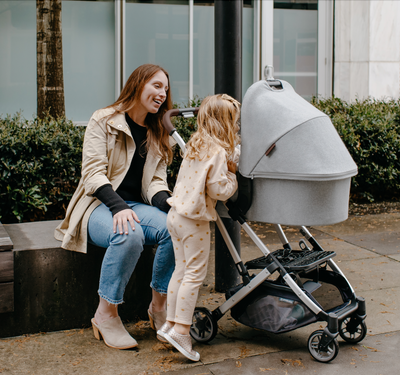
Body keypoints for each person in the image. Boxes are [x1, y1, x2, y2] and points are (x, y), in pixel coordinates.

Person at [54, 64, 175, 349]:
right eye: (157, 85)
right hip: (98, 205)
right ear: (138, 83)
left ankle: (159, 308)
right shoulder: (104, 119)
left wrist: (167, 203)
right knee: (129, 232)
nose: (162, 93)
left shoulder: (158, 130)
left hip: (136, 206)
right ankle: (106, 315)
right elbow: (93, 173)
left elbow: (156, 181)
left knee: (175, 226)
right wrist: (118, 207)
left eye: (166, 89)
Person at [157, 94, 241, 361]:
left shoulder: (196, 143)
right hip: (194, 220)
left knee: (180, 272)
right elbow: (219, 190)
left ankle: (170, 324)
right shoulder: (218, 152)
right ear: (226, 123)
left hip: (175, 215)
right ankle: (182, 331)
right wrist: (233, 177)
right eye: (235, 122)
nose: (237, 127)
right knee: (194, 275)